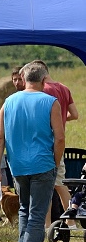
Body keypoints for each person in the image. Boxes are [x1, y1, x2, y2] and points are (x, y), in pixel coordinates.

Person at [0, 61, 64, 242]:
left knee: (24, 209)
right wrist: (55, 163)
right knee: (38, 213)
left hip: (18, 166)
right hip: (43, 164)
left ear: (23, 79)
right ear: (43, 80)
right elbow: (59, 139)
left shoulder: (8, 102)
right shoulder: (51, 102)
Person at [33, 60, 79, 222]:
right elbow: (74, 114)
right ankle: (70, 220)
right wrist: (60, 121)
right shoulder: (64, 88)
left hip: (45, 141)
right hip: (60, 140)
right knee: (60, 184)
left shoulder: (43, 90)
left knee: (45, 186)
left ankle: (46, 225)